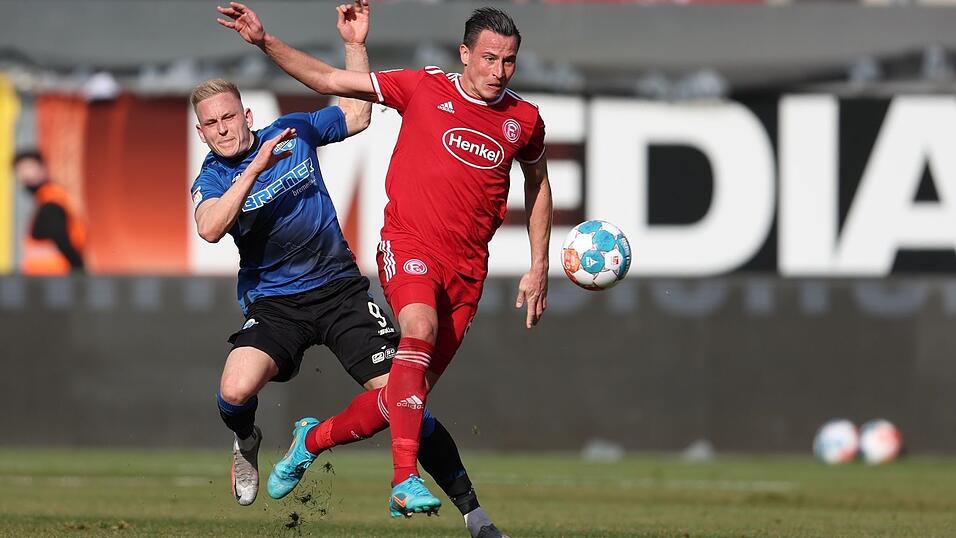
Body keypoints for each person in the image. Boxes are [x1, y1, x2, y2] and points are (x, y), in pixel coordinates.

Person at [217, 0, 552, 525]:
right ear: (465, 54)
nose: (498, 71)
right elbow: (328, 78)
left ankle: (313, 439)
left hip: (468, 273)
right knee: (417, 328)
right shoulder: (423, 87)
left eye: (508, 61)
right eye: (488, 58)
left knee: (404, 396)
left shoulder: (523, 121)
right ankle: (403, 481)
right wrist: (264, 40)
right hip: (410, 246)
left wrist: (538, 265)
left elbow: (538, 183)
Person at [13, 150, 86, 274]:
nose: (26, 175)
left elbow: (62, 240)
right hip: (48, 278)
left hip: (54, 278)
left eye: (29, 167)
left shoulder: (50, 203)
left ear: (43, 169)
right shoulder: (46, 199)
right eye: (21, 170)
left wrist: (79, 271)